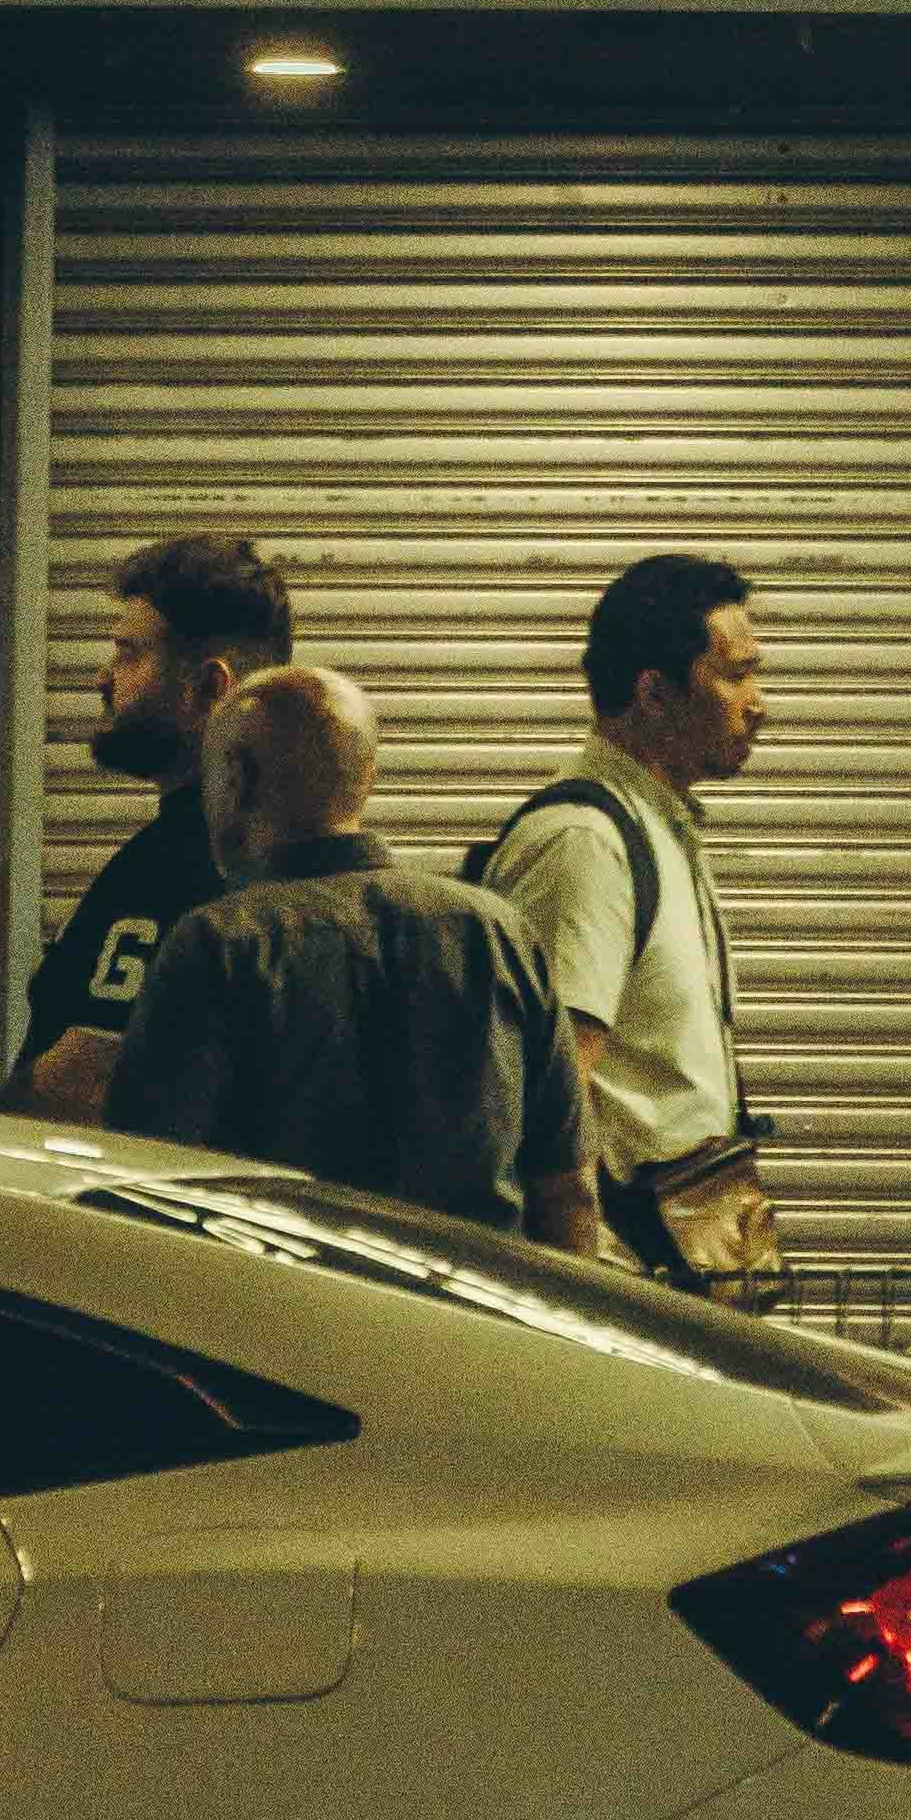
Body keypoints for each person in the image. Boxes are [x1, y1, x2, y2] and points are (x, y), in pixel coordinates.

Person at [104, 660, 596, 1242]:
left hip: (278, 1321)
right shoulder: (495, 932)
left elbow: (145, 1187)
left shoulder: (219, 945)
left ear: (236, 779)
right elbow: (568, 1192)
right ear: (363, 778)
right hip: (468, 1324)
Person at [480, 553, 775, 1293]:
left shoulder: (657, 829)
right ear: (654, 693)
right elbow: (552, 1096)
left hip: (676, 1264)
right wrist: (578, 1302)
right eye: (735, 674)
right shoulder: (586, 844)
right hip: (622, 1285)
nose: (759, 701)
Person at [4, 528, 296, 1116]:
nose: (103, 678)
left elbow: (82, 1088)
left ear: (210, 688)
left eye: (129, 653)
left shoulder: (179, 874)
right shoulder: (266, 854)